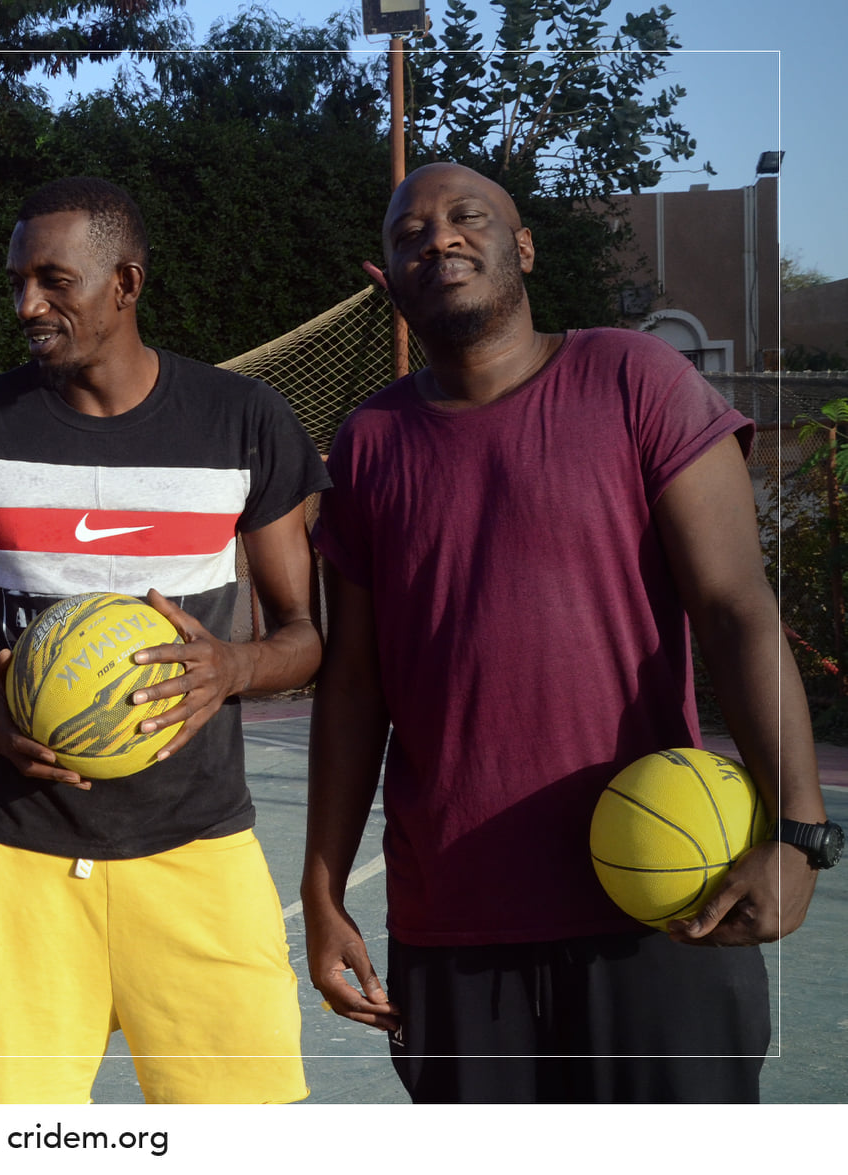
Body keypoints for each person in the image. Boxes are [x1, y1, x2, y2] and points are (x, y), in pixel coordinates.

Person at [303, 161, 837, 1102]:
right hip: (454, 920)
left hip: (666, 900)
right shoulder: (370, 441)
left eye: (468, 217)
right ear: (386, 275)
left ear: (525, 247)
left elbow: (736, 607)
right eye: (408, 234)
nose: (439, 238)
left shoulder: (634, 376)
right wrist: (323, 885)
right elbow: (352, 683)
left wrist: (798, 831)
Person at [0, 176, 327, 1104]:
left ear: (125, 283)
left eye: (55, 281)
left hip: (201, 855)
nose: (27, 305)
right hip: (28, 861)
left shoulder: (243, 422)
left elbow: (304, 636)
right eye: (16, 281)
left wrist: (233, 667)